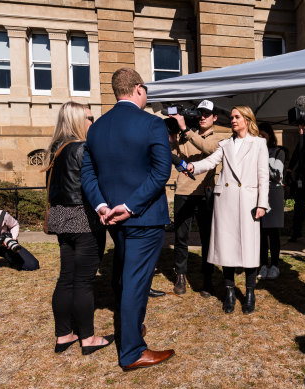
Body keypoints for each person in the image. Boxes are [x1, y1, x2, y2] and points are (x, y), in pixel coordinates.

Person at [81, 68, 174, 370]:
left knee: (124, 277)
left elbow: (88, 173)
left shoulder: (97, 127)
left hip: (113, 218)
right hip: (143, 218)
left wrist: (101, 205)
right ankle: (132, 351)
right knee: (135, 282)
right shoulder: (152, 124)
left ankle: (131, 329)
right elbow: (161, 172)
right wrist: (131, 206)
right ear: (138, 89)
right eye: (146, 90)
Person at [185, 106, 269, 315]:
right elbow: (210, 161)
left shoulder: (259, 144)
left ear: (247, 119)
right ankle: (230, 292)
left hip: (249, 201)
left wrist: (262, 203)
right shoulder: (225, 144)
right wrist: (193, 167)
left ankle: (250, 292)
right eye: (231, 117)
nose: (232, 120)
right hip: (226, 202)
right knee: (227, 248)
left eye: (237, 117)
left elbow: (263, 176)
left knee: (250, 248)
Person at [44, 101, 113, 355]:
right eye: (89, 118)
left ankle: (64, 334)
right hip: (82, 217)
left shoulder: (55, 149)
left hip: (61, 218)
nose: (92, 123)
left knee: (66, 278)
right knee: (83, 281)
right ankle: (88, 338)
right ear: (75, 120)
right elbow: (93, 185)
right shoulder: (83, 148)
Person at [169, 100, 229, 297]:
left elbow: (209, 149)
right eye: (200, 113)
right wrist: (171, 136)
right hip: (184, 191)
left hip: (205, 193)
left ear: (214, 117)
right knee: (181, 237)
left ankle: (207, 278)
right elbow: (175, 154)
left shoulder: (220, 136)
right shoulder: (185, 135)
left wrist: (186, 129)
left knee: (207, 238)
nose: (202, 117)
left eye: (206, 114)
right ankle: (180, 275)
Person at [258, 123, 286, 280]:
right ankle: (262, 264)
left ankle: (274, 265)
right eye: (259, 136)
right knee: (261, 233)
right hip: (258, 194)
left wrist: (262, 159)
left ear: (269, 136)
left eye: (264, 135)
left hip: (273, 194)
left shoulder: (279, 151)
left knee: (273, 232)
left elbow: (277, 174)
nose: (261, 139)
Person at [0, 202, 39, 286]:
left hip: (5, 246)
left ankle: (11, 259)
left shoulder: (1, 215)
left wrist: (13, 238)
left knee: (32, 265)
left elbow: (14, 225)